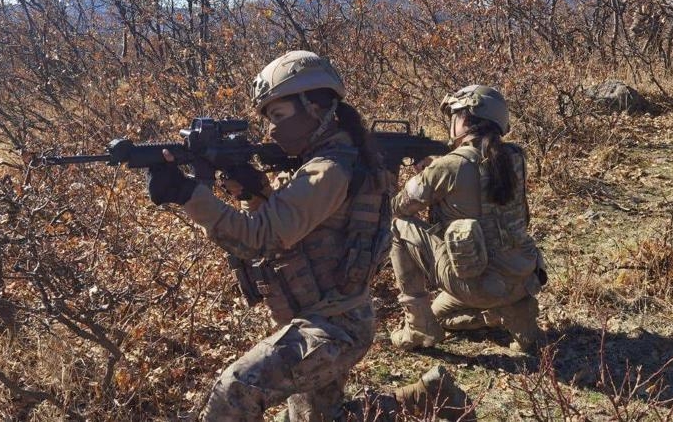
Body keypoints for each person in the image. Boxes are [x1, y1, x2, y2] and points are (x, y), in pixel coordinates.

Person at [144, 51, 473, 421]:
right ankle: (427, 397)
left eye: (279, 115)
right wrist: (257, 192)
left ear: (314, 107)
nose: (272, 129)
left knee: (235, 389)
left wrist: (187, 194)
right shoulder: (335, 157)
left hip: (331, 328)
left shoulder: (327, 169)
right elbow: (302, 227)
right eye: (268, 119)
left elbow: (258, 239)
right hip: (333, 316)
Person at [388, 85, 547, 354]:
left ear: (465, 118)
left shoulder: (450, 165)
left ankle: (418, 327)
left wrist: (416, 178)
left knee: (397, 227)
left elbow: (399, 207)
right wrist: (436, 172)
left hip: (478, 284)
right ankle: (508, 314)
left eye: (454, 115)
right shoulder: (515, 157)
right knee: (441, 315)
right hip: (522, 277)